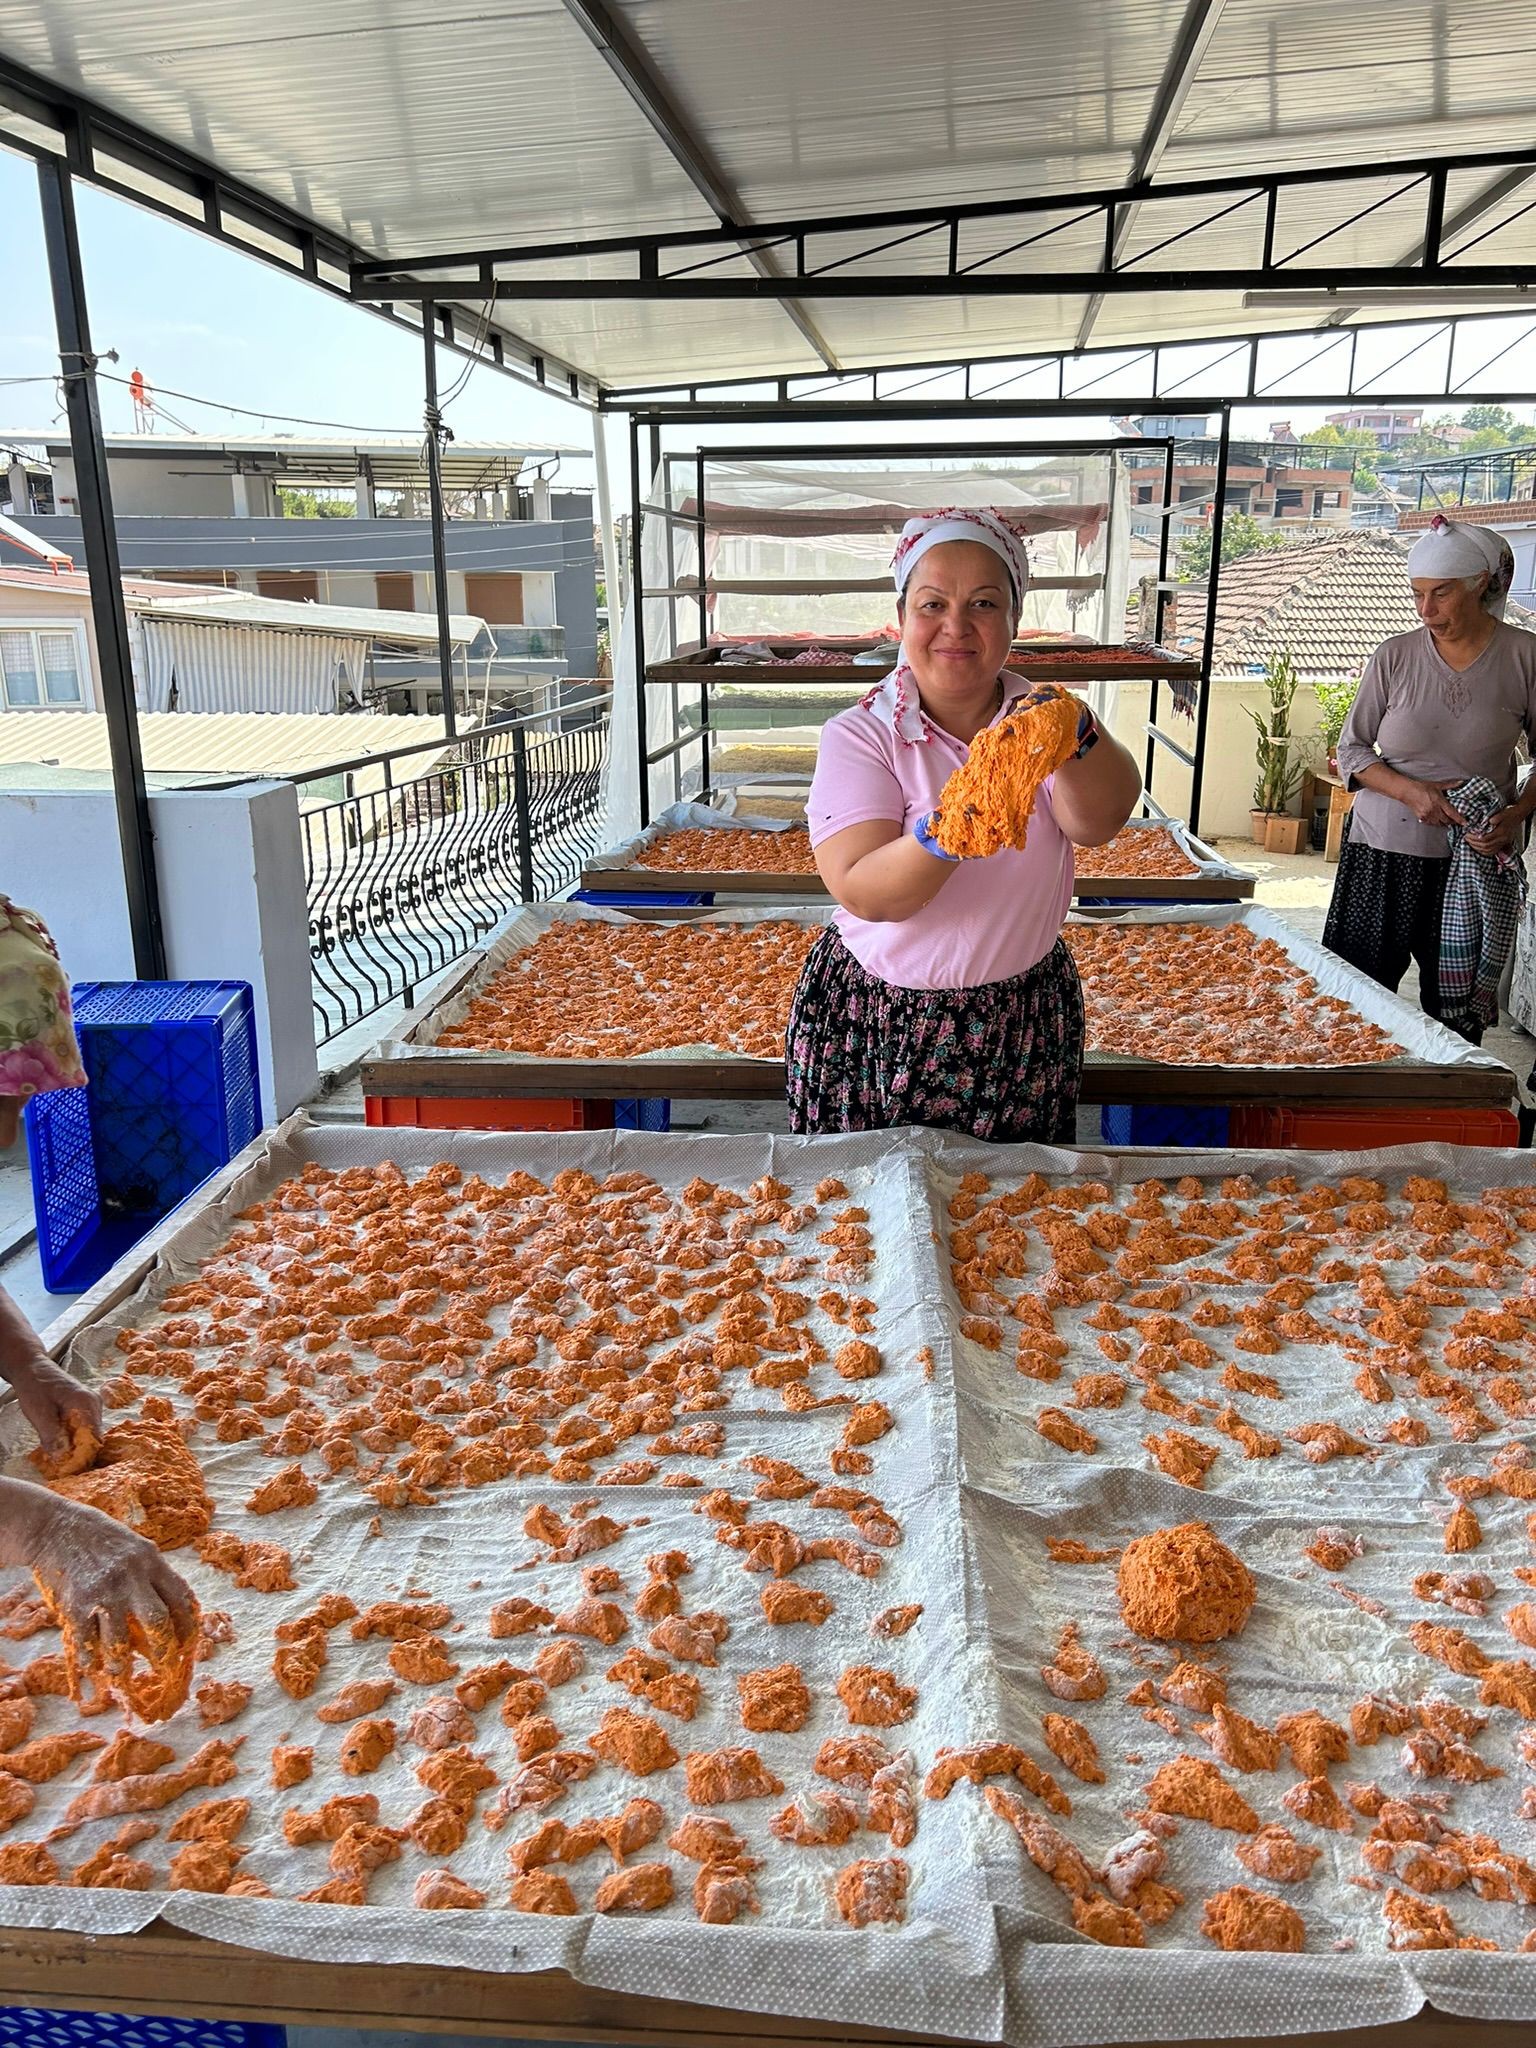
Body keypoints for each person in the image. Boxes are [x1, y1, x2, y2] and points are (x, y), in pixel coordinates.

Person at [787, 508, 1142, 1141]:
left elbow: (1097, 823)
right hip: (883, 1019)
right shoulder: (863, 736)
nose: (956, 626)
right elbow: (866, 890)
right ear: (902, 618)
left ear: (1013, 620)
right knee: (867, 1218)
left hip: (1021, 1015)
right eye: (932, 605)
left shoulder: (1043, 722)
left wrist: (1077, 731)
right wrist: (953, 826)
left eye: (984, 603)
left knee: (1010, 1214)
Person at [1324, 515, 1536, 1041]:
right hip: (1383, 851)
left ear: (1481, 584)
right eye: (1417, 594)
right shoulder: (1394, 656)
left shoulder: (1524, 656)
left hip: (1472, 864)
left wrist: (1515, 815)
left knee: (1455, 1015)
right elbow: (1351, 750)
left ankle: (1444, 1117)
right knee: (1356, 1000)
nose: (1426, 610)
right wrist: (1412, 792)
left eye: (1441, 594)